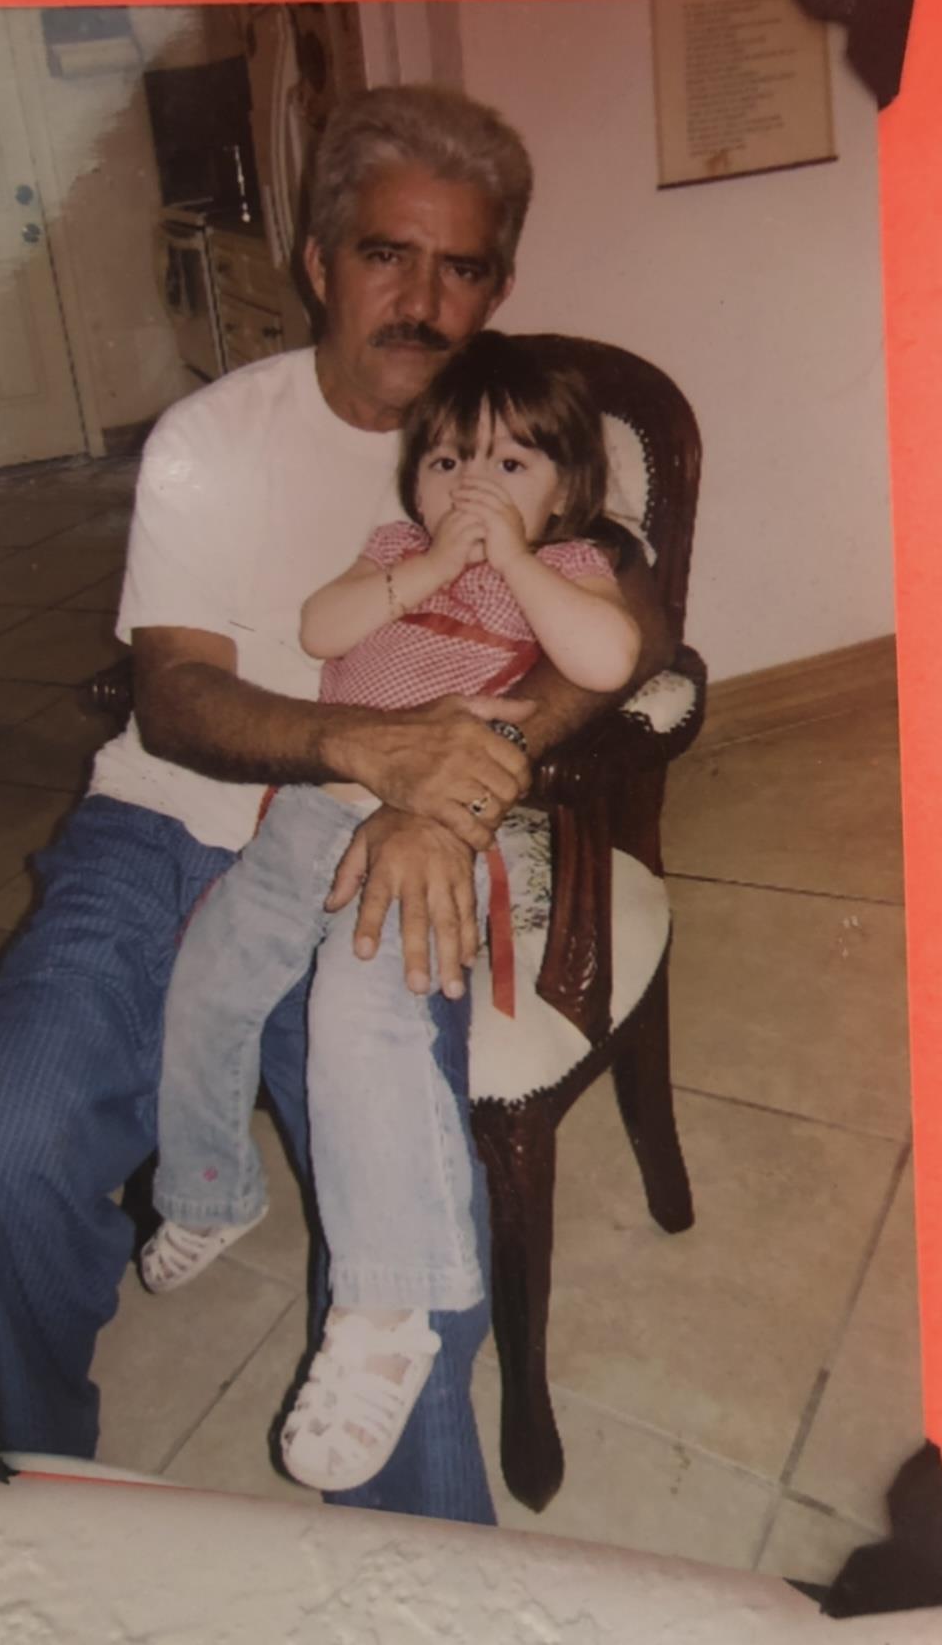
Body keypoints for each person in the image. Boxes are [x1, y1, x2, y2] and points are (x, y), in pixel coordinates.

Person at [0, 83, 673, 1525]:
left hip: (377, 846)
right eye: (390, 253)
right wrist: (372, 748)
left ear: (498, 285)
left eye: (462, 267)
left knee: (403, 1244)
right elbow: (176, 701)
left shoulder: (526, 427)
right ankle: (44, 1476)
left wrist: (449, 786)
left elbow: (624, 613)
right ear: (322, 260)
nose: (424, 298)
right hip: (166, 825)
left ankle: (417, 1579)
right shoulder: (211, 438)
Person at [141, 332, 640, 1493]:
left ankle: (388, 1307)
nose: (469, 487)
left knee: (360, 1014)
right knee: (210, 972)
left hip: (441, 831)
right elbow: (321, 633)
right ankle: (211, 1184)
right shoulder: (390, 551)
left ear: (564, 489)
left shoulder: (569, 566)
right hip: (318, 807)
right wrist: (422, 569)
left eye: (510, 464)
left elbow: (608, 659)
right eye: (447, 460)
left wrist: (514, 562)